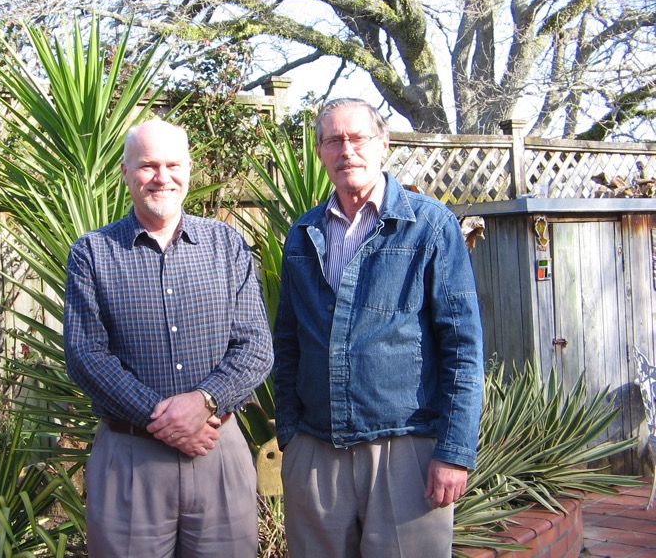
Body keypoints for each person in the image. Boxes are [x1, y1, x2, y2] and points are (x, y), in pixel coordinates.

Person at [273, 98, 484, 557]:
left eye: (358, 138)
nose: (347, 150)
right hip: (316, 451)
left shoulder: (429, 226)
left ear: (383, 143)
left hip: (405, 450)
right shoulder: (303, 234)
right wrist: (291, 436)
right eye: (334, 140)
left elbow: (463, 347)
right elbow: (287, 341)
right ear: (320, 151)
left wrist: (454, 451)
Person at [64, 119, 273, 557]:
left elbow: (255, 346)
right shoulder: (92, 252)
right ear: (126, 172)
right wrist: (163, 420)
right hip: (131, 457)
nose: (162, 177)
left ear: (189, 170)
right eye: (148, 165)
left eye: (173, 165)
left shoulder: (226, 245)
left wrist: (204, 402)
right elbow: (85, 354)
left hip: (217, 449)